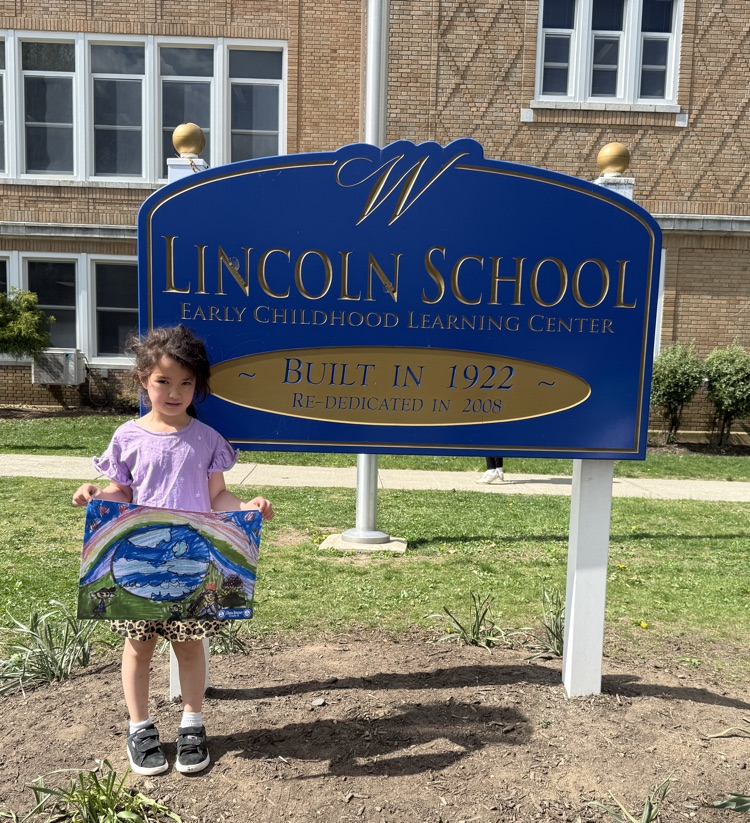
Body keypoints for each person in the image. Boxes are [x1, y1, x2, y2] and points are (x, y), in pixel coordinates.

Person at [72, 325, 274, 777]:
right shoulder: (127, 436)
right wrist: (96, 497)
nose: (175, 391)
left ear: (197, 386)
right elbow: (120, 491)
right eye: (164, 381)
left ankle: (192, 723)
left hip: (193, 568)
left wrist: (246, 507)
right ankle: (139, 726)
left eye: (186, 383)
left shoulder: (205, 439)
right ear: (144, 379)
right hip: (135, 566)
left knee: (189, 647)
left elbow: (218, 497)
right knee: (137, 647)